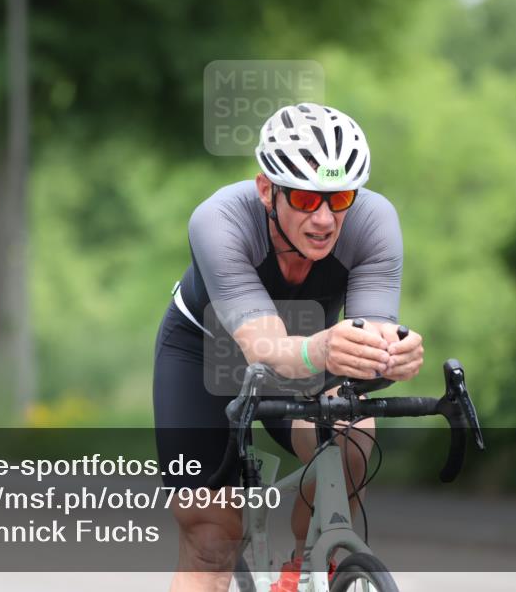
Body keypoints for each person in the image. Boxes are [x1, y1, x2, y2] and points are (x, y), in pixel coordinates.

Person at [153, 103, 424, 592]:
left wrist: (393, 354)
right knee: (212, 539)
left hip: (311, 347)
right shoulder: (218, 220)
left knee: (352, 441)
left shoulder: (373, 220)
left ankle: (306, 569)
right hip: (206, 350)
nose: (323, 219)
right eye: (303, 199)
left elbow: (372, 334)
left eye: (339, 198)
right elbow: (264, 345)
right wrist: (324, 350)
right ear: (266, 190)